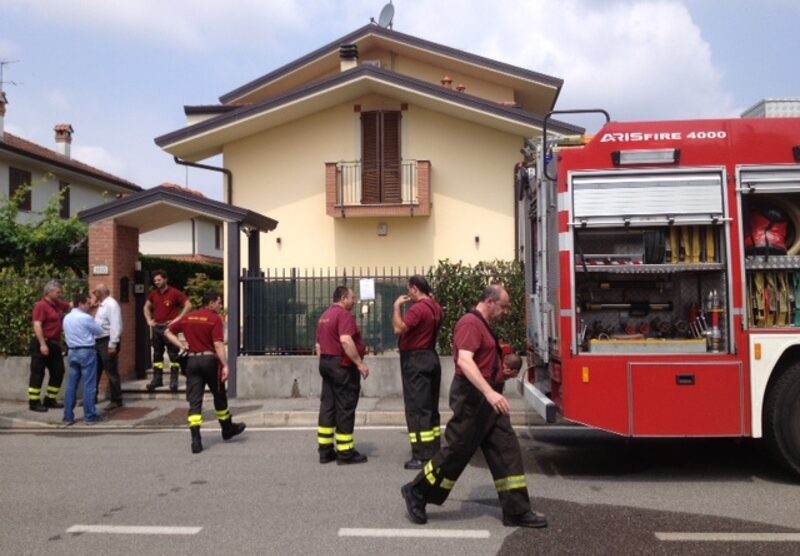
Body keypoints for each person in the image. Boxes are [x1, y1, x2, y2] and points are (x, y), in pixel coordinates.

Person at [401, 285, 548, 529]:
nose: (506, 312)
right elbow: (465, 361)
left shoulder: (482, 325)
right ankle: (416, 492)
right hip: (473, 399)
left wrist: (497, 382)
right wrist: (489, 392)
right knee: (455, 453)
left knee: (507, 451)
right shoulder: (469, 323)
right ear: (490, 302)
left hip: (487, 399)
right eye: (504, 306)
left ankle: (516, 511)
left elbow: (482, 361)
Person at [164, 291, 245, 454]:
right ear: (211, 303)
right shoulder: (214, 319)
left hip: (192, 362)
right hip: (210, 362)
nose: (220, 306)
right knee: (219, 395)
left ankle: (196, 441)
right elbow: (218, 344)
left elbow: (167, 331)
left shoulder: (188, 318)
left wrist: (181, 345)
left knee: (195, 401)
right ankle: (227, 429)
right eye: (219, 302)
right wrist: (225, 365)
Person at [392, 275, 443, 469]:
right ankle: (434, 450)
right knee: (430, 408)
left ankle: (422, 455)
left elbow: (399, 328)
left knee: (417, 409)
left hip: (415, 360)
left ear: (414, 289)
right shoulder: (435, 307)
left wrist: (397, 307)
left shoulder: (418, 308)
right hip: (431, 357)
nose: (408, 294)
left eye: (409, 290)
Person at [315, 285, 369, 465]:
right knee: (345, 407)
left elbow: (318, 346)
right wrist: (360, 364)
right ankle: (345, 453)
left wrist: (325, 365)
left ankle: (325, 451)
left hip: (326, 363)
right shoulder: (343, 315)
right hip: (341, 366)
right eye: (352, 298)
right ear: (343, 298)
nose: (354, 301)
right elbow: (346, 341)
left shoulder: (324, 316)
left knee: (328, 406)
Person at [143, 269, 191, 392]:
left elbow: (188, 305)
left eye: (159, 280)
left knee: (173, 355)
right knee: (157, 355)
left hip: (169, 328)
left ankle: (173, 381)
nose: (157, 282)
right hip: (157, 328)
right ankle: (157, 380)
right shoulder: (154, 294)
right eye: (155, 281)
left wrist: (178, 319)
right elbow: (146, 307)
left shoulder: (175, 293)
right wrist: (149, 320)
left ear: (165, 279)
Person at [63, 292, 107, 424]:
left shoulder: (67, 318)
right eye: (87, 303)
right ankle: (89, 416)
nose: (89, 305)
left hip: (72, 351)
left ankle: (68, 417)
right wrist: (93, 314)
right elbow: (99, 331)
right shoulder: (85, 318)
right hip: (86, 351)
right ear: (81, 304)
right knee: (89, 385)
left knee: (72, 385)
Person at [28, 280, 71, 412]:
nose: (60, 294)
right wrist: (42, 344)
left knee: (58, 371)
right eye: (58, 292)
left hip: (54, 344)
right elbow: (37, 325)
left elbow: (70, 306)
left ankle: (50, 399)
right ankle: (34, 402)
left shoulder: (57, 304)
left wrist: (90, 302)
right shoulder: (41, 306)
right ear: (49, 292)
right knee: (38, 373)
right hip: (43, 343)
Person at [92, 284, 123, 409]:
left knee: (111, 371)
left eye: (95, 293)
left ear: (100, 293)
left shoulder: (111, 304)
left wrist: (112, 344)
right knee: (96, 370)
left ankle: (116, 399)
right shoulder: (102, 304)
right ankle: (92, 397)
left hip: (107, 341)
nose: (94, 295)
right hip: (99, 341)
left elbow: (116, 325)